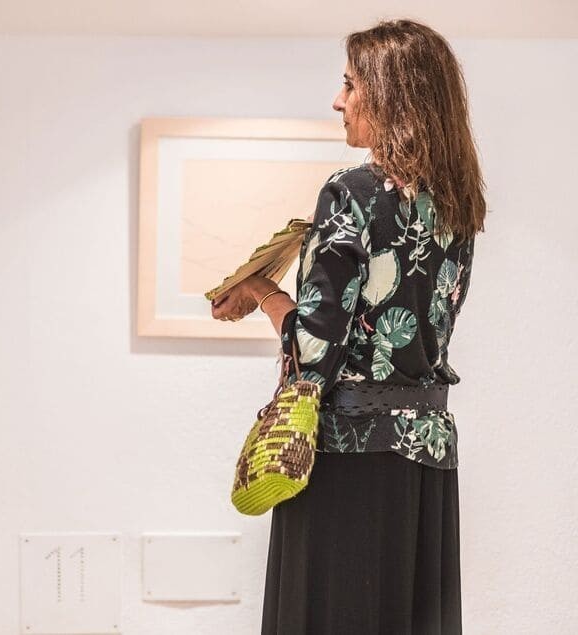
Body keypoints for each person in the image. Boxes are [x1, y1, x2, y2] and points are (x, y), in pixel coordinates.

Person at [211, 19, 487, 634]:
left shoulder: (351, 191)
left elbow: (314, 352)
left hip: (348, 454)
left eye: (350, 85)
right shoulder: (457, 202)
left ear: (390, 94)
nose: (339, 101)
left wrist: (261, 291)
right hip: (426, 454)